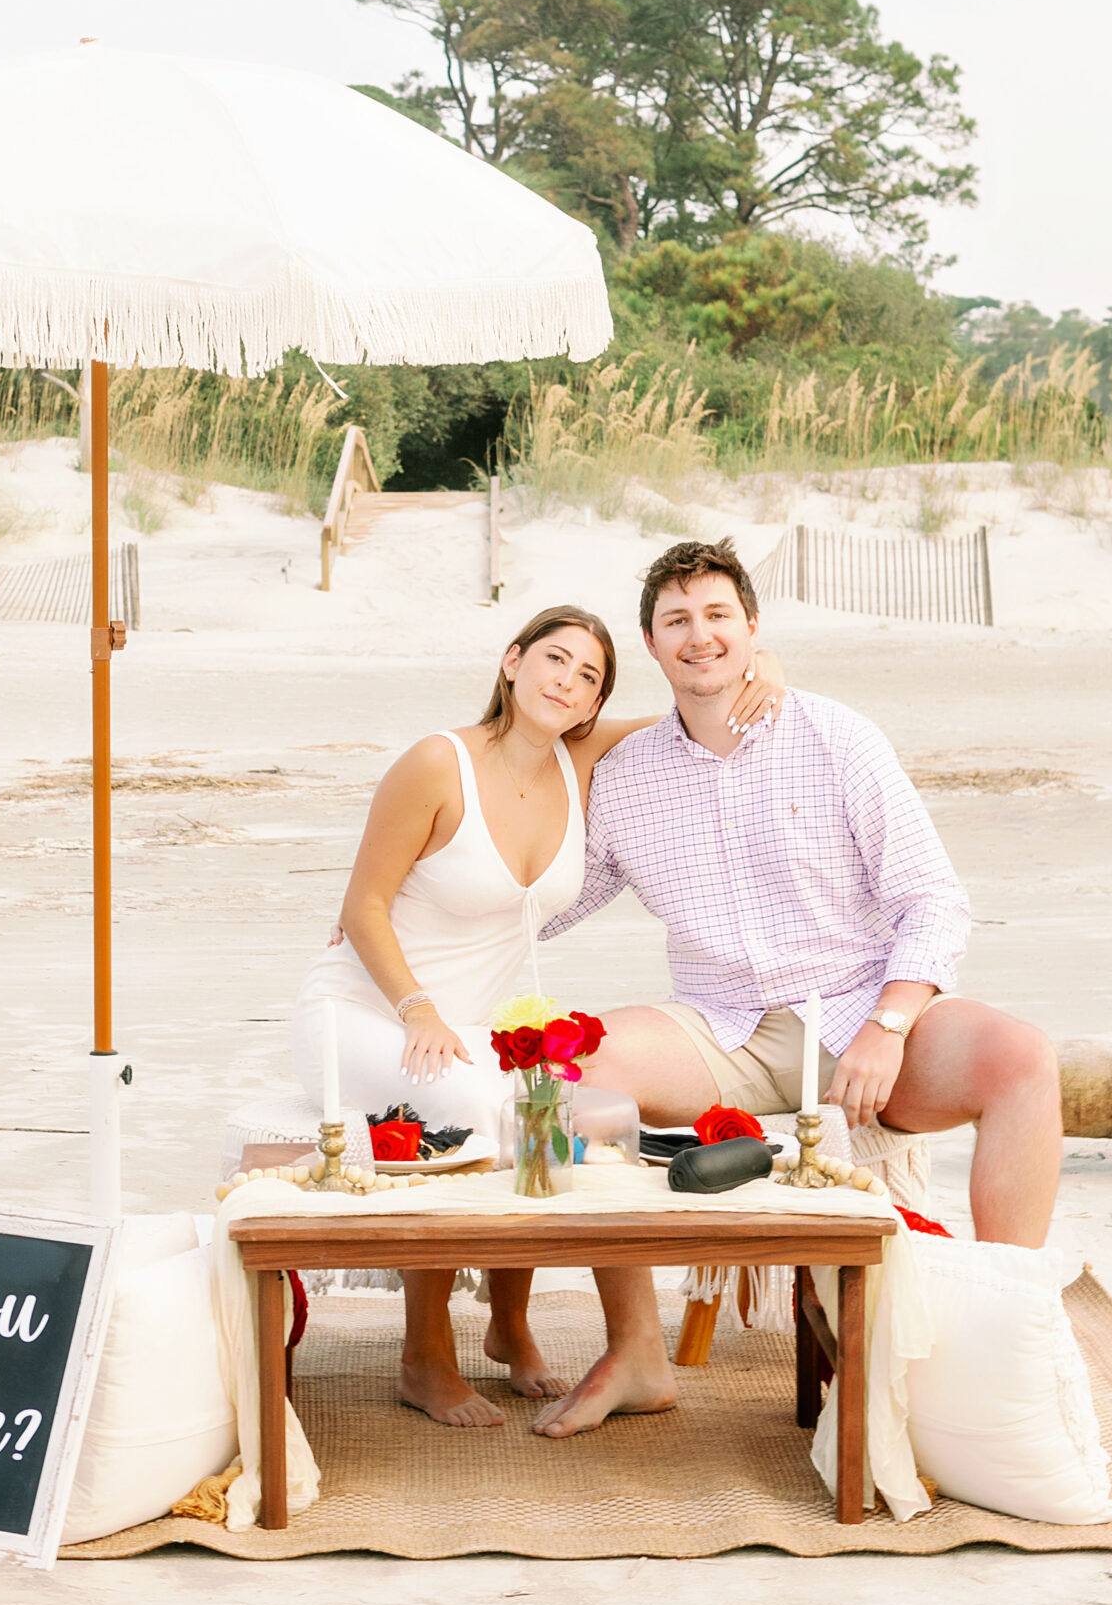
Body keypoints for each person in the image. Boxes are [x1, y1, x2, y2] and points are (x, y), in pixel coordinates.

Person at [529, 535, 1063, 1441]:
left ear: (750, 629)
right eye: (675, 622)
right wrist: (415, 920)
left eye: (716, 616)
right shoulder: (626, 777)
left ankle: (1001, 1323)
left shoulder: (834, 736)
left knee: (1020, 1057)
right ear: (651, 648)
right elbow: (551, 903)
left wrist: (890, 1025)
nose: (699, 637)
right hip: (718, 1030)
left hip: (856, 1007)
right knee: (571, 1075)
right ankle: (635, 1353)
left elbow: (931, 899)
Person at [291, 601, 787, 1428]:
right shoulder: (436, 763)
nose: (568, 681)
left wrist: (759, 670)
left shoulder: (580, 757)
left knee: (548, 1109)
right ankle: (422, 1357)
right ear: (512, 661)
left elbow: (685, 709)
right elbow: (364, 905)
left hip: (478, 1029)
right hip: (369, 1012)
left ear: (593, 704)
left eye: (588, 675)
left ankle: (508, 1323)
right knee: (471, 1109)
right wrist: (415, 1009)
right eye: (554, 659)